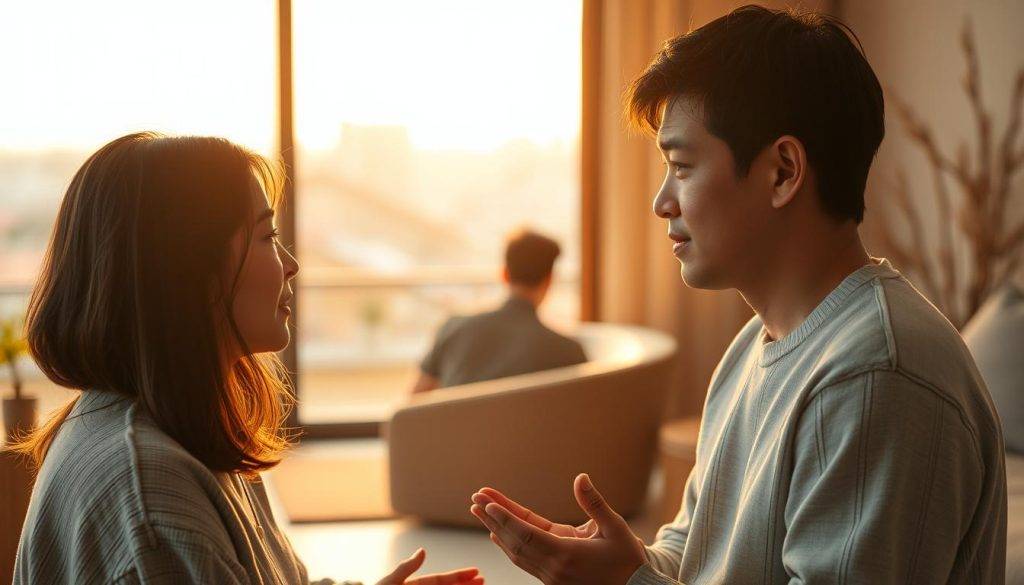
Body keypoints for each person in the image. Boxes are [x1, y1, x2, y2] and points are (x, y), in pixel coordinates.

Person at [469, 5, 1007, 584]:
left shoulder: (875, 374)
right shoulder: (757, 342)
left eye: (681, 166)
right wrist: (624, 563)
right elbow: (695, 554)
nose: (661, 203)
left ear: (782, 172)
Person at [8, 132, 484, 585]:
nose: (291, 264)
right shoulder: (153, 499)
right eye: (266, 237)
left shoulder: (184, 430)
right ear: (192, 270)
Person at [411, 229, 586, 393]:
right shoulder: (568, 352)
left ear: (504, 274)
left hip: (456, 426)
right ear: (549, 281)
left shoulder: (453, 328)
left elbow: (414, 404)